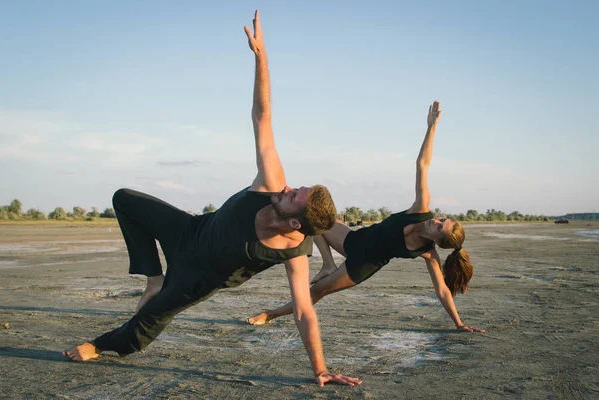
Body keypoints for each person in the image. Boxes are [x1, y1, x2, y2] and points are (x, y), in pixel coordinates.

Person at [63, 10, 362, 388]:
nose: (287, 188)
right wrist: (262, 59)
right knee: (125, 199)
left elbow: (304, 312)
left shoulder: (295, 253)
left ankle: (99, 344)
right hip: (189, 229)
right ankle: (153, 278)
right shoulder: (271, 183)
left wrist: (320, 369)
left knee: (139, 330)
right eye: (293, 187)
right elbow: (262, 117)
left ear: (295, 223)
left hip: (199, 276)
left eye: (293, 196)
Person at [248, 101, 485, 334]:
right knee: (317, 219)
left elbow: (442, 290)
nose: (437, 221)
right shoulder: (420, 209)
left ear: (437, 240)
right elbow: (422, 164)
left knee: (316, 291)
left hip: (362, 265)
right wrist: (431, 128)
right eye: (443, 219)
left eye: (439, 228)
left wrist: (459, 323)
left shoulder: (427, 253)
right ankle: (328, 264)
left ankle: (271, 314)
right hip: (353, 239)